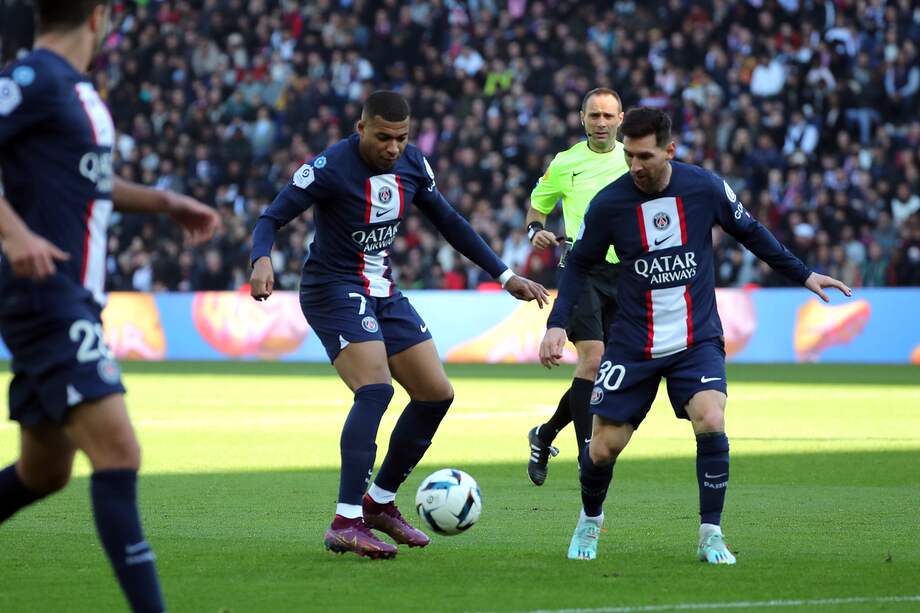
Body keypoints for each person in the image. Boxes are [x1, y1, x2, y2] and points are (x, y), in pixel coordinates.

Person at [539, 107, 851, 564]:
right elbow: (579, 263)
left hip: (696, 337)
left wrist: (803, 274)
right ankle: (590, 520)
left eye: (645, 156)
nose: (636, 166)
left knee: (711, 417)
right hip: (633, 342)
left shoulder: (704, 187)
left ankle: (711, 534)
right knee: (603, 448)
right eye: (629, 156)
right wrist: (556, 324)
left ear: (670, 149)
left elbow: (750, 232)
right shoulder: (609, 203)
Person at [250, 90, 548, 559]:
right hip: (332, 288)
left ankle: (379, 504)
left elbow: (450, 222)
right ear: (361, 128)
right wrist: (261, 258)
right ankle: (345, 520)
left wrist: (504, 275)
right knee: (375, 390)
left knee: (436, 394)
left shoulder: (413, 165)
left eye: (401, 138)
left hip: (383, 289)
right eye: (384, 137)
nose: (393, 148)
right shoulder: (330, 167)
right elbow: (271, 217)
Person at [0, 2, 221, 611]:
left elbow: (86, 182)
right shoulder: (35, 78)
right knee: (120, 453)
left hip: (71, 298)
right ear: (98, 15)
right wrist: (14, 235)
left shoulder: (74, 92)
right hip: (47, 297)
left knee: (43, 472)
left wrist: (164, 200)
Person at [524, 88, 628, 486]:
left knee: (606, 370)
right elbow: (538, 207)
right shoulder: (565, 163)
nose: (601, 123)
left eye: (608, 116)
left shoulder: (633, 159)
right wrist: (537, 230)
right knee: (593, 359)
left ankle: (546, 434)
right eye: (594, 115)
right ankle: (590, 455)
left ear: (621, 119)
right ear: (581, 118)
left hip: (629, 275)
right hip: (582, 270)